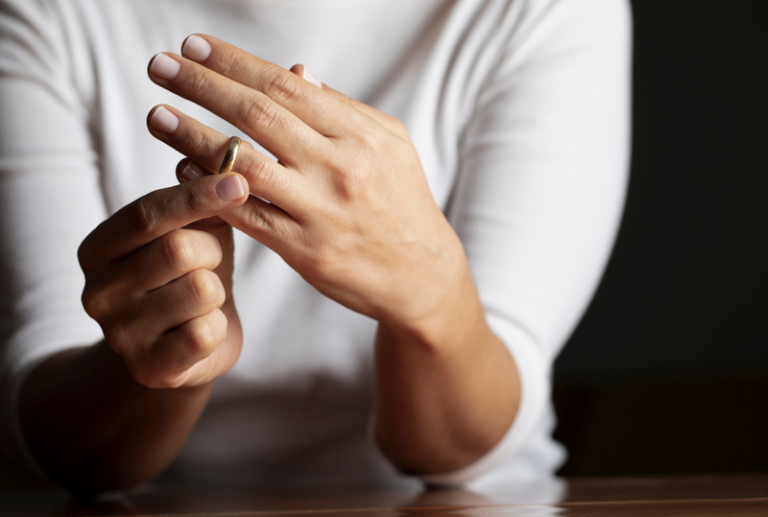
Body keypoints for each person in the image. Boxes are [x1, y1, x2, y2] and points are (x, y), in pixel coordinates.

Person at [0, 0, 631, 493]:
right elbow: (62, 443)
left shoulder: (540, 12)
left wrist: (432, 296)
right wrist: (179, 353)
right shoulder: (48, 14)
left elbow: (460, 449)